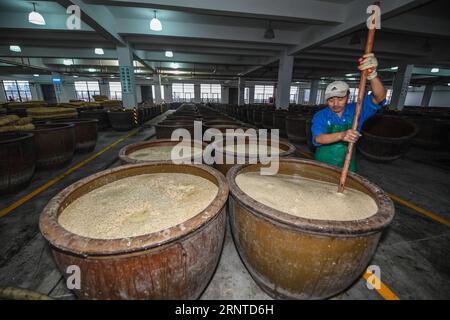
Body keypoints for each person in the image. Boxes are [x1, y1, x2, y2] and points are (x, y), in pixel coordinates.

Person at [311, 53, 387, 172]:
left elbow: (379, 97)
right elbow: (318, 138)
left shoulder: (356, 110)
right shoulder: (321, 115)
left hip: (347, 164)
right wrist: (342, 135)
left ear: (348, 96)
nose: (335, 104)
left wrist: (372, 75)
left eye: (340, 99)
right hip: (323, 163)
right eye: (331, 100)